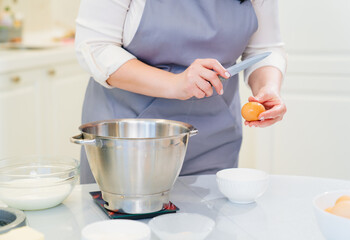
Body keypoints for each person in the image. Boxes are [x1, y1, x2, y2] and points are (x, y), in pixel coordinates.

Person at [75, 0, 287, 184]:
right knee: (126, 227)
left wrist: (267, 88)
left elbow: (263, 50)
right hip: (126, 137)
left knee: (213, 224)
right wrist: (175, 83)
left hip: (215, 139)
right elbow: (96, 47)